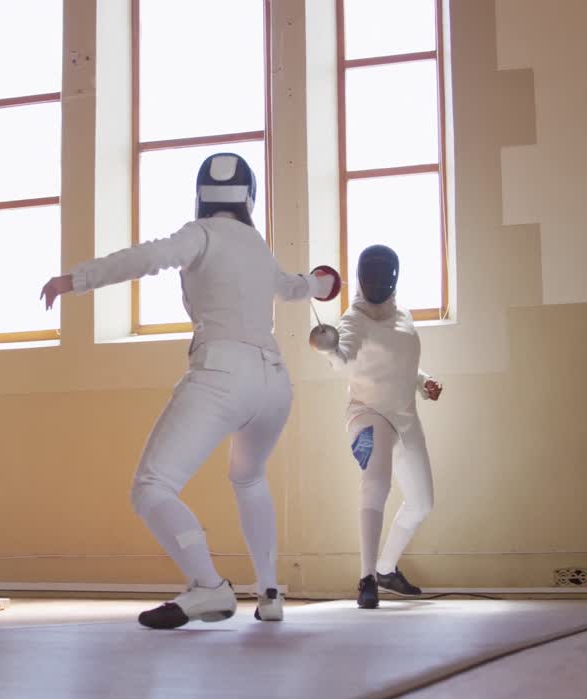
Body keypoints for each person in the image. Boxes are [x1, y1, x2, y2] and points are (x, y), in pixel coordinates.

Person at [41, 153, 340, 628]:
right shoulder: (257, 246)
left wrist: (74, 280)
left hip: (223, 373)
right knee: (249, 478)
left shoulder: (200, 234)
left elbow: (148, 257)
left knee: (152, 487)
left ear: (201, 194)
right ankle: (269, 593)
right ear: (249, 197)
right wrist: (323, 283)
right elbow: (294, 287)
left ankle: (208, 586)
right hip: (274, 382)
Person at [309, 245, 442, 609]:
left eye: (385, 273)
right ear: (361, 277)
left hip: (406, 416)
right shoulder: (353, 319)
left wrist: (424, 382)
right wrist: (329, 348)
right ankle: (367, 578)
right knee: (377, 482)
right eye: (373, 274)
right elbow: (344, 360)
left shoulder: (403, 315)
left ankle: (385, 569)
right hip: (367, 414)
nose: (379, 280)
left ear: (395, 277)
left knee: (421, 502)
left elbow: (401, 363)